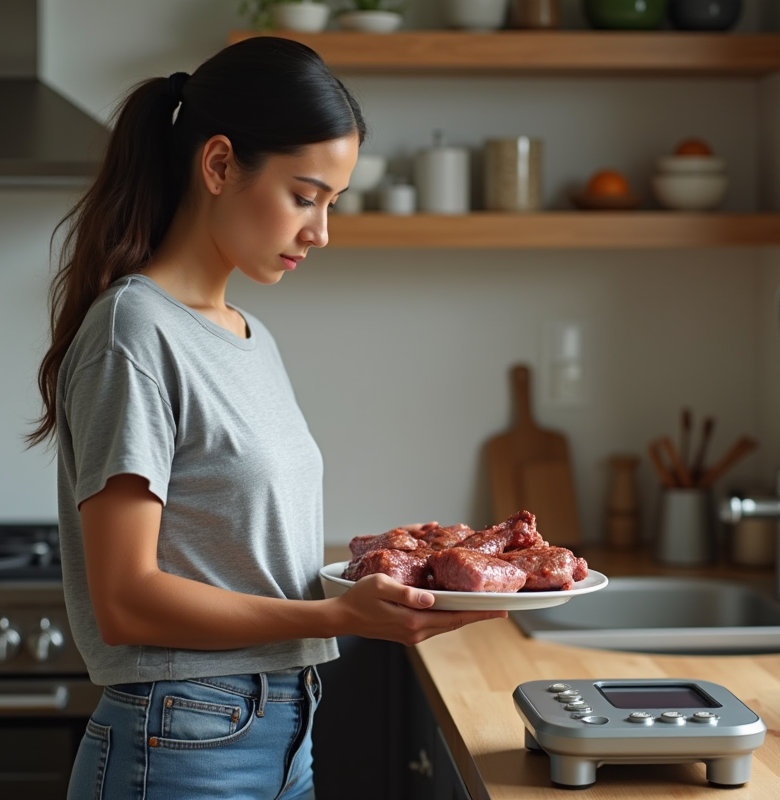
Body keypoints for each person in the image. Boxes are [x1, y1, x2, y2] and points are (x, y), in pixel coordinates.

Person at [27, 37, 506, 800]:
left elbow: (234, 549)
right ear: (219, 165)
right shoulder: (134, 331)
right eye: (305, 195)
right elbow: (124, 600)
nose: (321, 232)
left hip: (282, 731)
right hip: (184, 741)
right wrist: (335, 615)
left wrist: (388, 569)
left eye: (332, 204)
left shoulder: (249, 338)